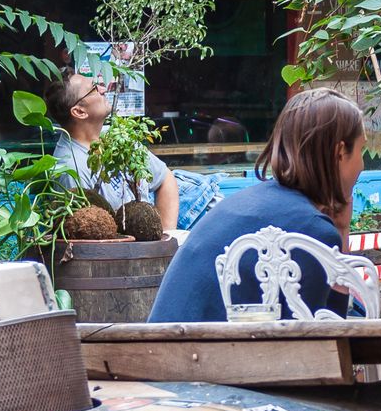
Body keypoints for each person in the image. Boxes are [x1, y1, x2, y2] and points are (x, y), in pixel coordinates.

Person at [149, 88, 367, 323]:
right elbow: (333, 332)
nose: (363, 165)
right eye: (361, 150)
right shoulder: (314, 230)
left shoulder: (245, 203)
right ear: (340, 153)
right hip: (203, 356)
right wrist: (341, 231)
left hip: (168, 352)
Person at [46, 70, 180, 226]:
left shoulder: (113, 135)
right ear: (79, 112)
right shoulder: (71, 168)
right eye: (94, 88)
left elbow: (165, 179)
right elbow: (92, 232)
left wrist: (167, 239)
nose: (103, 90)